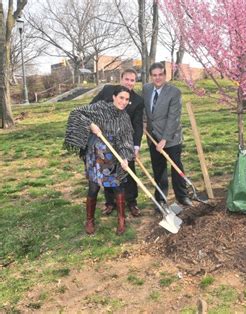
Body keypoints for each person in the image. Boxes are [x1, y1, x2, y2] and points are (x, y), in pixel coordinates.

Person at [64, 86, 134, 235]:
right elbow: (76, 113)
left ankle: (121, 219)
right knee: (94, 187)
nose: (123, 102)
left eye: (127, 99)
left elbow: (126, 141)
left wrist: (125, 158)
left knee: (117, 186)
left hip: (113, 156)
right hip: (95, 156)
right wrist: (91, 125)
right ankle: (89, 220)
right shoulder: (100, 107)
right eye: (121, 98)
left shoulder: (124, 118)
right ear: (114, 97)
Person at [90, 69, 144, 217]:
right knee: (108, 170)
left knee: (129, 170)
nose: (129, 82)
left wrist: (136, 146)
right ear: (121, 79)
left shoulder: (138, 100)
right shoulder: (108, 90)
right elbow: (92, 107)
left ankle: (132, 202)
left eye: (132, 80)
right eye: (127, 79)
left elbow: (138, 124)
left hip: (125, 140)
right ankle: (110, 202)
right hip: (105, 139)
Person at [144, 62, 192, 207]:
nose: (157, 78)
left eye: (160, 75)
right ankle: (161, 199)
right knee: (158, 169)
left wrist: (164, 139)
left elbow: (173, 118)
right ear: (151, 76)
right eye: (154, 75)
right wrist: (144, 122)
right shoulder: (146, 89)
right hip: (153, 137)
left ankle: (182, 196)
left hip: (171, 137)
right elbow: (144, 109)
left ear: (165, 75)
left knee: (176, 166)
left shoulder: (174, 92)